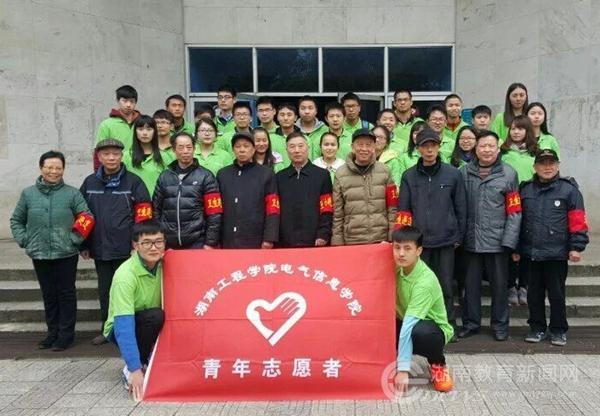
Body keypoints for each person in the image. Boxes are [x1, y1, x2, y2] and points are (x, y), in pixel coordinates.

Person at [11, 151, 94, 351]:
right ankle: (52, 333)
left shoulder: (72, 193)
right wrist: (25, 240)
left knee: (66, 294)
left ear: (63, 169)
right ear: (41, 168)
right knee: (49, 294)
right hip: (39, 253)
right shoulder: (28, 194)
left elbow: (86, 217)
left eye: (58, 168)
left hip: (65, 253)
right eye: (49, 167)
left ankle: (66, 335)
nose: (53, 171)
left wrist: (74, 240)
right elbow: (16, 220)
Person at [80, 138, 153, 345]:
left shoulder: (134, 182)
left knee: (129, 291)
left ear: (122, 156)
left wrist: (139, 244)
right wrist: (83, 244)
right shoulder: (89, 183)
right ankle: (107, 330)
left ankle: (131, 332)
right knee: (106, 292)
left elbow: (144, 215)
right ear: (99, 157)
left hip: (127, 250)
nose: (111, 158)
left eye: (115, 154)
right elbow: (81, 215)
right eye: (106, 154)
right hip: (100, 248)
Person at [397, 128, 467, 335]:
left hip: (445, 240)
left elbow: (461, 207)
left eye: (433, 145)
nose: (429, 150)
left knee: (445, 286)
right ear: (418, 148)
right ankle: (421, 326)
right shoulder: (409, 176)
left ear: (439, 147)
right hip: (419, 244)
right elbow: (404, 210)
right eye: (425, 146)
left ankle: (447, 326)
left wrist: (459, 236)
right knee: (418, 286)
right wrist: (406, 240)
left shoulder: (453, 174)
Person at [518, 149, 589, 346]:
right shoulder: (525, 189)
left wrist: (576, 247)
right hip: (531, 252)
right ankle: (537, 328)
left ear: (558, 166)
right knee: (533, 294)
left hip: (557, 253)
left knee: (557, 295)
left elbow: (578, 221)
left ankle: (558, 330)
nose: (547, 167)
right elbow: (518, 222)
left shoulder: (569, 190)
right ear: (535, 167)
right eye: (543, 163)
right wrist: (516, 248)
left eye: (551, 163)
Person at [458, 130, 521, 341]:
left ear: (498, 148)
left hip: (498, 242)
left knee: (500, 288)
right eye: (482, 146)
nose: (486, 150)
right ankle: (471, 324)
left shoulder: (509, 174)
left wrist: (510, 241)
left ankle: (500, 325)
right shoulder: (464, 173)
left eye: (491, 146)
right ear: (475, 148)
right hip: (471, 240)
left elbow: (515, 211)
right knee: (470, 287)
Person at [104, 220, 166, 401]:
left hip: (147, 322)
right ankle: (134, 367)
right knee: (155, 316)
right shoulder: (125, 276)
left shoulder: (165, 264)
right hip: (121, 327)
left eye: (158, 242)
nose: (153, 248)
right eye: (146, 243)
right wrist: (134, 368)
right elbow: (123, 326)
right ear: (135, 245)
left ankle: (148, 359)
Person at [393, 226, 454, 394]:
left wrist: (403, 370)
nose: (401, 254)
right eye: (397, 247)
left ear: (418, 251)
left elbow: (408, 325)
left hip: (429, 328)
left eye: (407, 248)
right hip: (403, 319)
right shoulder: (397, 267)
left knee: (420, 333)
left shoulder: (425, 281)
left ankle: (437, 363)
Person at [153, 133, 222, 249]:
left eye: (189, 147)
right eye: (181, 147)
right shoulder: (164, 177)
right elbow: (156, 209)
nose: (185, 151)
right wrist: (160, 238)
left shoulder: (206, 176)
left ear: (194, 149)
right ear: (174, 150)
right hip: (169, 242)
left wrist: (210, 242)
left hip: (197, 241)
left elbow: (214, 212)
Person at [331, 128, 397, 245]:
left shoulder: (385, 170)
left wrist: (393, 235)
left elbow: (392, 207)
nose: (364, 149)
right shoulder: (341, 173)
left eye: (368, 145)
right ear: (352, 147)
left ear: (374, 147)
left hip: (380, 238)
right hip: (352, 239)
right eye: (360, 144)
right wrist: (337, 241)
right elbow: (337, 212)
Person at [217, 132, 280, 249]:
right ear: (233, 150)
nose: (242, 150)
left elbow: (273, 208)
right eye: (238, 146)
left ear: (254, 149)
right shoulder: (223, 174)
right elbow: (217, 209)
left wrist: (269, 237)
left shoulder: (266, 174)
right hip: (227, 237)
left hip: (256, 237)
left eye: (246, 146)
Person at [276, 132, 333, 247]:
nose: (297, 150)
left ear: (308, 148)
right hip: (286, 241)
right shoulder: (279, 177)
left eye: (301, 146)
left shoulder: (322, 175)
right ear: (286, 150)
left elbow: (327, 208)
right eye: (292, 147)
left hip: (315, 240)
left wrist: (323, 234)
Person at [95, 85, 141, 170]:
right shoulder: (106, 124)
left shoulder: (142, 123)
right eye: (124, 101)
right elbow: (98, 151)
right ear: (117, 100)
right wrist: (98, 173)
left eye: (132, 101)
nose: (128, 105)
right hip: (115, 169)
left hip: (140, 167)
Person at [122, 115, 166, 196]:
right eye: (140, 129)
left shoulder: (164, 156)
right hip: (133, 201)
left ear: (155, 131)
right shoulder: (126, 156)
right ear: (135, 131)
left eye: (149, 129)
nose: (145, 133)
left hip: (157, 201)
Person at [391, 90, 424, 154]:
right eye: (399, 100)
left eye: (405, 99)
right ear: (394, 103)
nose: (402, 102)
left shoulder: (420, 122)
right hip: (393, 157)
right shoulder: (389, 123)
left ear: (411, 102)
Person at [296, 96, 329, 160]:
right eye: (303, 108)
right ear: (298, 110)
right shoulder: (293, 130)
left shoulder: (326, 130)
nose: (307, 111)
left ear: (316, 111)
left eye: (310, 108)